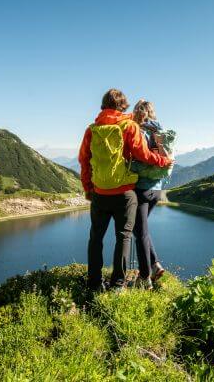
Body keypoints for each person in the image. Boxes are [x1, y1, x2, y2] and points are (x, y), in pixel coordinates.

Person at [78, 89, 172, 292]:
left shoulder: (92, 129)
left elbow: (84, 161)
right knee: (124, 237)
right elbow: (143, 154)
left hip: (100, 193)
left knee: (96, 238)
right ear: (123, 106)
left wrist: (88, 189)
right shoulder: (128, 126)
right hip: (125, 194)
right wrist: (164, 161)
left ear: (103, 105)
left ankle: (94, 283)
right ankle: (117, 285)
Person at [130, 100, 176, 289]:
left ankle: (145, 277)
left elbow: (136, 156)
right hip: (157, 189)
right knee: (141, 230)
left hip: (141, 188)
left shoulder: (138, 131)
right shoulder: (161, 132)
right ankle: (155, 265)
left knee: (139, 232)